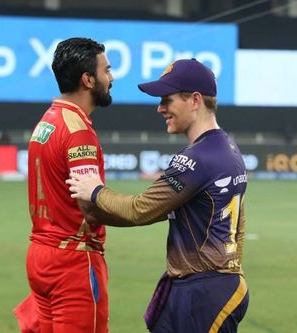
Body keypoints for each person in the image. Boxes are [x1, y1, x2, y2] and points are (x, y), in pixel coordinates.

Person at [67, 58, 249, 333]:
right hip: (211, 285)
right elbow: (237, 228)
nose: (160, 108)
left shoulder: (195, 160)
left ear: (195, 100)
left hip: (202, 294)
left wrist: (95, 190)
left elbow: (140, 209)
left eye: (167, 99)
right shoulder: (228, 148)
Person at [16, 37, 114, 333]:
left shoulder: (47, 121)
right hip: (73, 259)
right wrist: (147, 209)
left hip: (41, 255)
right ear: (88, 79)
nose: (111, 78)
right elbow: (90, 205)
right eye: (106, 71)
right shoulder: (78, 131)